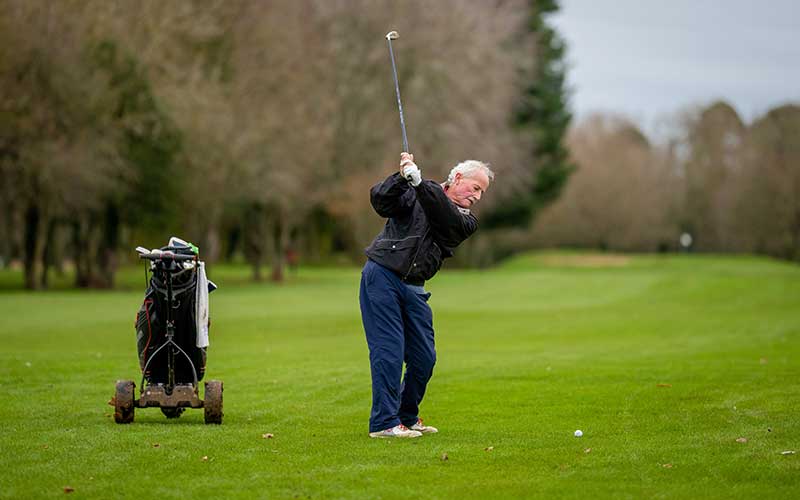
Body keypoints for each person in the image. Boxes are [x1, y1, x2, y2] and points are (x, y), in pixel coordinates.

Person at [360, 152, 494, 438]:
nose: (478, 197)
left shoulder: (465, 221)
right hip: (382, 276)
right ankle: (384, 423)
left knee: (424, 358)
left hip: (415, 287)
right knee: (389, 350)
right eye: (476, 188)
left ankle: (407, 417)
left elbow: (442, 216)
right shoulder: (414, 188)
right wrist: (401, 177)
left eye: (481, 192)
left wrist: (420, 184)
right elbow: (380, 201)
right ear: (457, 178)